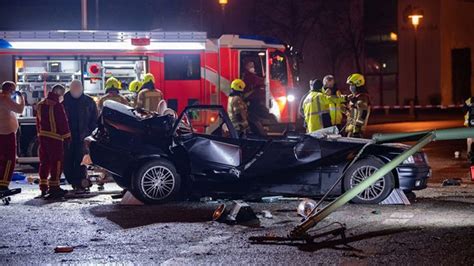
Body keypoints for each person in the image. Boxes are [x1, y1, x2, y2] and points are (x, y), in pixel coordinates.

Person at [63, 80, 98, 192]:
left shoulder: (89, 102)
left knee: (81, 160)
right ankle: (73, 181)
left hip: (83, 136)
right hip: (67, 136)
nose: (76, 91)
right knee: (67, 160)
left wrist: (91, 133)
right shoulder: (63, 101)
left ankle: (80, 182)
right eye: (74, 89)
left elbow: (94, 118)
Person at [36, 84, 71, 198]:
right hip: (55, 138)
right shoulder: (57, 105)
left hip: (42, 137)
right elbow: (62, 122)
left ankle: (43, 186)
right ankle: (54, 187)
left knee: (44, 162)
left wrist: (39, 134)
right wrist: (67, 137)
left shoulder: (40, 104)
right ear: (59, 93)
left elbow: (38, 122)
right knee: (56, 162)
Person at [0, 81, 25, 192]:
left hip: (3, 132)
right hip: (7, 133)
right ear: (10, 90)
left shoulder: (2, 98)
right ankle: (4, 184)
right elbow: (19, 109)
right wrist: (22, 98)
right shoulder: (5, 98)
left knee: (2, 159)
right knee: (9, 159)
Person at [242, 61, 273, 136]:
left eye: (253, 65)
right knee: (256, 114)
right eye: (251, 65)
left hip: (252, 100)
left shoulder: (248, 75)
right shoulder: (249, 75)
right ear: (246, 66)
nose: (253, 67)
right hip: (252, 100)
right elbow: (260, 81)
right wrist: (267, 78)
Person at [345, 73, 371, 138]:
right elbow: (352, 112)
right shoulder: (355, 97)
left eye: (352, 85)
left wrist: (357, 128)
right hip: (351, 128)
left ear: (358, 84)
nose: (350, 87)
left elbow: (363, 114)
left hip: (356, 131)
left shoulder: (362, 97)